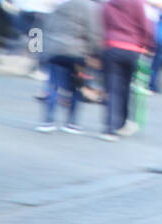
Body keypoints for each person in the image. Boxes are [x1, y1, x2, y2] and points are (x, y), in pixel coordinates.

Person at [35, 0, 101, 133]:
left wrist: (42, 52)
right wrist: (95, 53)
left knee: (53, 85)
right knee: (77, 87)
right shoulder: (90, 7)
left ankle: (48, 121)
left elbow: (47, 27)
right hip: (78, 53)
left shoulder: (61, 5)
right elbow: (93, 33)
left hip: (55, 51)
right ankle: (72, 123)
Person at [101, 0, 152, 138]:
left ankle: (109, 128)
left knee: (112, 89)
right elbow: (146, 27)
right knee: (126, 87)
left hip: (112, 47)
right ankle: (122, 123)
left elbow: (103, 25)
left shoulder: (109, 3)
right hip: (132, 49)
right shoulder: (138, 3)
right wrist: (147, 45)